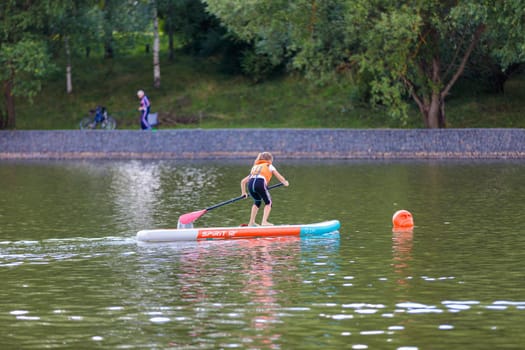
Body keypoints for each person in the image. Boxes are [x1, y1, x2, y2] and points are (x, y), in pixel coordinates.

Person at [240, 152, 289, 226]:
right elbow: (279, 177)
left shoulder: (255, 167)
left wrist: (244, 193)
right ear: (269, 160)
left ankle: (251, 222)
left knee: (257, 201)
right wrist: (285, 182)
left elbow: (243, 181)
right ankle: (264, 222)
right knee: (268, 202)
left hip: (250, 185)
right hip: (260, 183)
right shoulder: (269, 165)